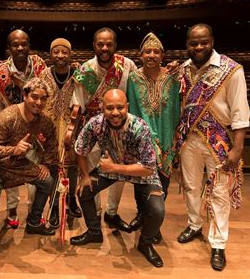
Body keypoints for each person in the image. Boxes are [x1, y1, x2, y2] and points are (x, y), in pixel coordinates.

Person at [174, 23, 250, 271]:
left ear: (212, 41)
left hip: (218, 142)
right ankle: (194, 225)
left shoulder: (231, 70)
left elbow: (240, 113)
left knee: (218, 192)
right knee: (192, 186)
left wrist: (238, 149)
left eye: (203, 42)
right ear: (187, 44)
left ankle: (218, 243)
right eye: (193, 43)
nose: (198, 47)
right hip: (189, 140)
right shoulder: (182, 70)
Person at [71, 89, 165, 268]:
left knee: (157, 209)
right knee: (84, 191)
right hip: (110, 169)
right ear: (102, 108)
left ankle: (145, 242)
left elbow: (148, 168)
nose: (115, 112)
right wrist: (84, 176)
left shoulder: (140, 127)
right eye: (110, 108)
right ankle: (94, 232)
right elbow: (80, 149)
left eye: (120, 107)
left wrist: (114, 167)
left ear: (127, 107)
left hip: (139, 170)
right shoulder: (95, 124)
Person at [0, 78, 58, 267]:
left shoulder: (44, 121)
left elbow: (52, 141)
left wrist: (45, 164)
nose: (38, 102)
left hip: (19, 165)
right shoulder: (8, 117)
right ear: (25, 95)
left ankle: (34, 222)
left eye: (43, 99)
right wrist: (13, 149)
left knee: (47, 181)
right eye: (34, 97)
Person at [71, 27, 136, 232]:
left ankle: (112, 213)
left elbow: (135, 93)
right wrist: (72, 128)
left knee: (118, 172)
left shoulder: (127, 65)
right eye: (100, 44)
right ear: (94, 46)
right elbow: (78, 104)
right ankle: (95, 213)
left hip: (120, 127)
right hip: (93, 129)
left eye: (109, 44)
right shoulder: (84, 70)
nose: (105, 48)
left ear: (115, 46)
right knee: (91, 172)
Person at [126, 33, 180, 243]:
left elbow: (176, 108)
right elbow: (132, 108)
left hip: (167, 139)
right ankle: (143, 214)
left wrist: (174, 137)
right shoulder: (133, 79)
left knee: (162, 184)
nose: (151, 55)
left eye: (156, 51)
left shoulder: (173, 78)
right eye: (147, 51)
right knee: (141, 181)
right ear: (140, 55)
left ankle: (153, 222)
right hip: (143, 139)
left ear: (162, 55)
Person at [0, 29, 47, 228]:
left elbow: (45, 95)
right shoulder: (0, 72)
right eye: (15, 44)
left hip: (35, 126)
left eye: (24, 44)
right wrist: (2, 124)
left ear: (29, 45)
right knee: (10, 170)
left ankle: (33, 211)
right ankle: (12, 210)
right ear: (9, 48)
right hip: (10, 127)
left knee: (34, 168)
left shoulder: (40, 66)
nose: (20, 48)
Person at [39, 38, 82, 227]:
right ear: (51, 54)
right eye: (56, 51)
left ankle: (71, 200)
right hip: (51, 129)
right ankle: (54, 205)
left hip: (72, 127)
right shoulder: (43, 75)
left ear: (70, 54)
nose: (60, 56)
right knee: (53, 168)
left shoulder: (78, 74)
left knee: (72, 168)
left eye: (64, 52)